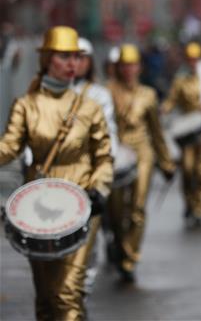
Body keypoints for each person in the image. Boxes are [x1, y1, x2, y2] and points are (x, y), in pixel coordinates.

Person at [0, 26, 113, 320]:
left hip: (81, 204)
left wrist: (99, 188)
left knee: (66, 294)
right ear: (48, 59)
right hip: (37, 209)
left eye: (76, 56)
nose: (73, 63)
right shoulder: (27, 105)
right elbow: (9, 147)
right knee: (47, 298)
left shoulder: (90, 107)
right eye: (65, 56)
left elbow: (104, 156)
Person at [107, 44, 176, 282]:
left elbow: (156, 132)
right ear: (118, 67)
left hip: (143, 152)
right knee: (115, 212)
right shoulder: (107, 92)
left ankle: (129, 258)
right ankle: (118, 245)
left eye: (133, 65)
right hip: (116, 152)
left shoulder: (148, 94)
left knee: (137, 208)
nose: (129, 69)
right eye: (124, 65)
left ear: (139, 67)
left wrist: (166, 162)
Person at [72, 37, 118, 293]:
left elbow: (108, 135)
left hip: (89, 176)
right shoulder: (45, 94)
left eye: (81, 58)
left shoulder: (99, 95)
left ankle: (81, 291)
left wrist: (103, 177)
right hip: (58, 177)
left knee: (86, 240)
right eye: (69, 57)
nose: (74, 64)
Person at [161, 42, 201, 228]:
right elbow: (172, 100)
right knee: (187, 169)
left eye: (195, 59)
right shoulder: (180, 81)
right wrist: (165, 108)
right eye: (190, 60)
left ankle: (200, 206)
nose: (193, 63)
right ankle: (188, 203)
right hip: (186, 132)